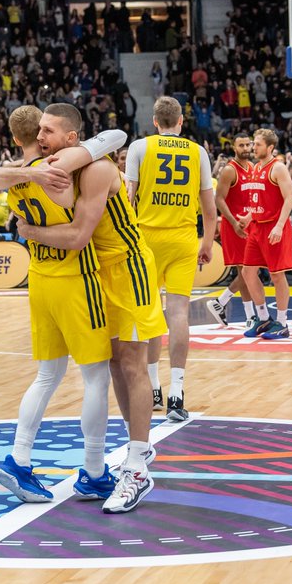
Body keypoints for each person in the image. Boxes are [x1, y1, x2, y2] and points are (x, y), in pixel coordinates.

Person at [12, 108, 160, 513]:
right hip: (97, 275)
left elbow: (78, 235)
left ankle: (136, 467)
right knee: (111, 366)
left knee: (132, 363)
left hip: (127, 267)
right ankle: (136, 451)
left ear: (72, 137)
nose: (40, 136)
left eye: (48, 130)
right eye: (37, 129)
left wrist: (28, 233)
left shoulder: (94, 170)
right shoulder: (59, 167)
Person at [0, 106, 113, 507]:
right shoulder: (60, 171)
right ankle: (94, 471)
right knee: (96, 377)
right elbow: (111, 138)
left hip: (39, 279)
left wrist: (27, 175)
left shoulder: (14, 179)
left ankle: (19, 458)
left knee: (47, 375)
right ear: (42, 137)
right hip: (77, 278)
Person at [125, 96, 216, 421]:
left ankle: (152, 388)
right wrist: (206, 242)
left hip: (146, 238)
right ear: (180, 122)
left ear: (154, 121)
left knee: (149, 314)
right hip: (182, 238)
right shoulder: (198, 151)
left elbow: (128, 198)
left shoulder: (140, 147)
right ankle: (177, 392)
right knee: (178, 313)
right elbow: (209, 207)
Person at [239, 129, 292, 340]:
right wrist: (248, 215)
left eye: (258, 144)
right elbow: (259, 200)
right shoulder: (254, 169)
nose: (254, 147)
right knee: (247, 272)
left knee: (277, 275)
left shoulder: (278, 167)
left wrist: (279, 226)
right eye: (254, 143)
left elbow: (289, 198)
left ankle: (282, 322)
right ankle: (263, 318)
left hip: (274, 226)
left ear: (270, 147)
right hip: (256, 226)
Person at [208, 133, 256, 327]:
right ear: (234, 148)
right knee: (246, 270)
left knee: (250, 270)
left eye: (248, 145)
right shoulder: (229, 170)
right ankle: (250, 316)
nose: (245, 148)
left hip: (249, 223)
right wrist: (234, 222)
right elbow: (218, 199)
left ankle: (221, 302)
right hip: (234, 225)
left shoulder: (252, 168)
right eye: (241, 145)